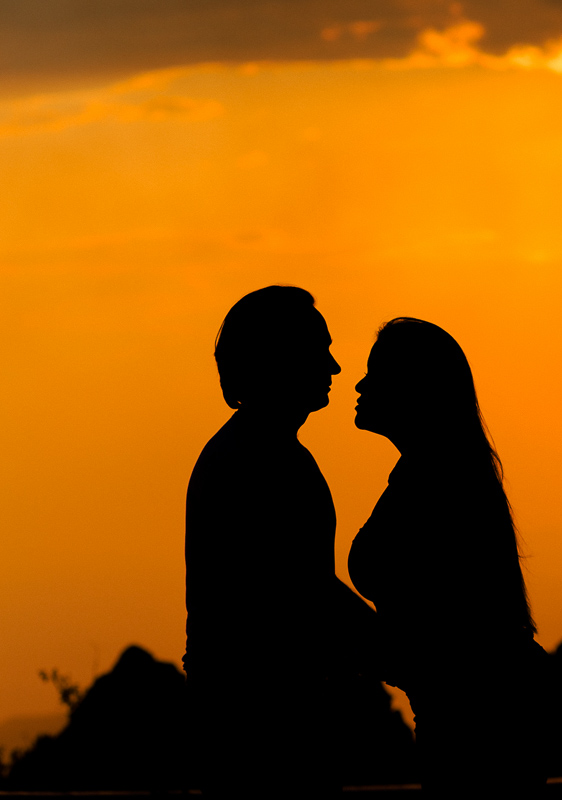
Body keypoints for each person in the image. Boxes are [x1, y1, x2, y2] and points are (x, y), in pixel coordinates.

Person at [184, 286, 377, 797]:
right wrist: (409, 655)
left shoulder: (259, 453)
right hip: (262, 731)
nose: (334, 367)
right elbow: (305, 591)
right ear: (279, 358)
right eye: (319, 350)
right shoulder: (257, 460)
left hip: (258, 722)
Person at [348, 317, 548, 796]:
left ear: (413, 389)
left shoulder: (440, 485)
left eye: (375, 374)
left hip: (477, 722)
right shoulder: (429, 475)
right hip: (464, 712)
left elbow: (445, 623)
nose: (359, 385)